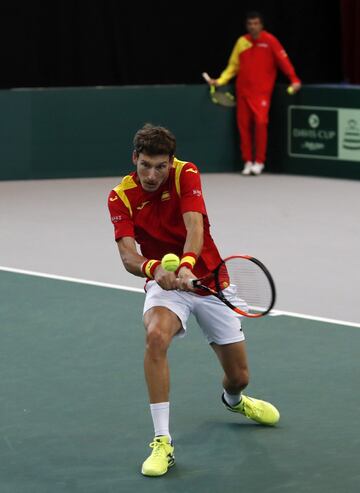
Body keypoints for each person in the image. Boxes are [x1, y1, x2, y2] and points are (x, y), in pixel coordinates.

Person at [108, 123, 280, 477]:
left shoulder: (187, 173)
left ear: (171, 163)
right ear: (134, 160)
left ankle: (234, 402)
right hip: (165, 286)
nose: (152, 175)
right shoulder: (120, 196)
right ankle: (162, 441)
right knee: (155, 336)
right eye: (145, 165)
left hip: (209, 281)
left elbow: (195, 228)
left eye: (160, 166)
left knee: (239, 377)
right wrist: (156, 269)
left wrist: (187, 266)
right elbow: (128, 256)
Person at [206, 11, 301, 175]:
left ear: (261, 25)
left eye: (256, 23)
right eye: (250, 24)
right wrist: (220, 81)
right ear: (247, 26)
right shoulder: (241, 42)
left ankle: (259, 161)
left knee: (260, 124)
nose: (253, 26)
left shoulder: (270, 41)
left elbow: (283, 61)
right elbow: (232, 67)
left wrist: (294, 79)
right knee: (244, 127)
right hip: (242, 92)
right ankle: (248, 161)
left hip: (262, 93)